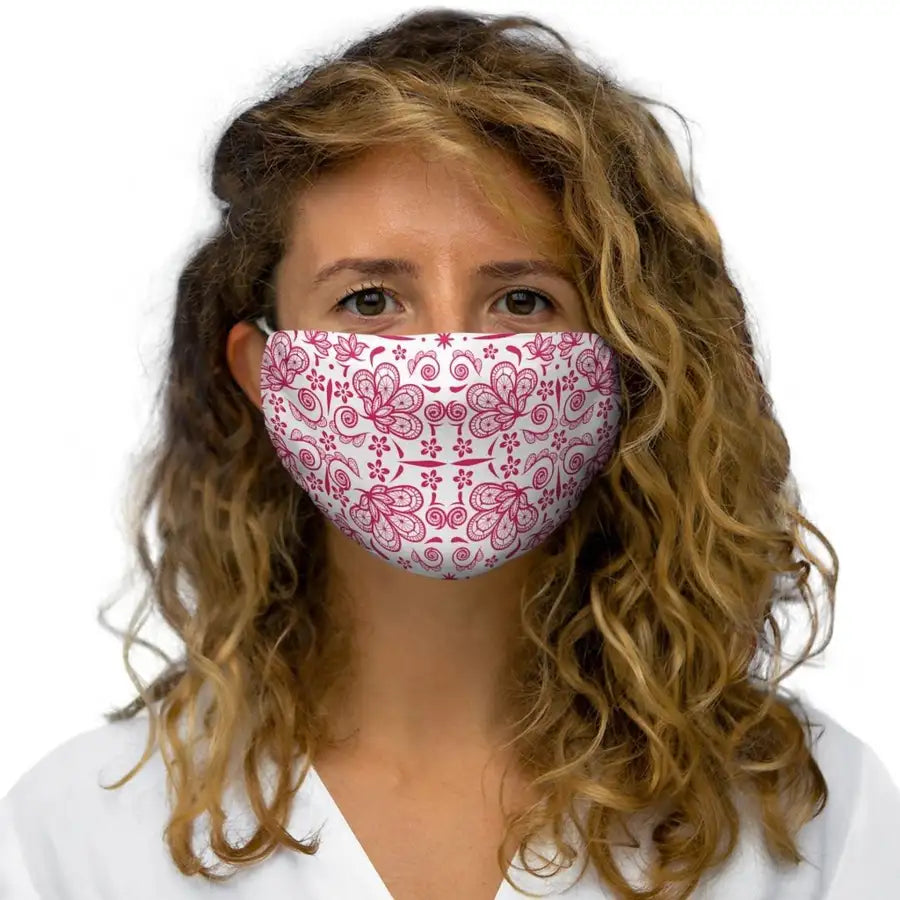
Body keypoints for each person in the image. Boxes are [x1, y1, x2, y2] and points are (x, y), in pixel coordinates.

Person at [2, 9, 898, 900]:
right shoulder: (77, 835)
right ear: (264, 372)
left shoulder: (813, 817)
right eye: (368, 300)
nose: (447, 379)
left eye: (522, 300)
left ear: (626, 360)